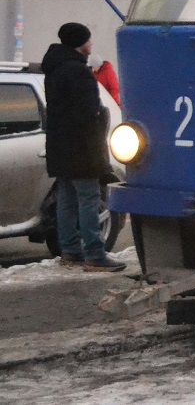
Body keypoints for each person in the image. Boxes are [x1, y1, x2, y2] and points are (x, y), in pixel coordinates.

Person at [42, 23, 125, 272]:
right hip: (82, 147)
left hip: (60, 145)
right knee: (89, 198)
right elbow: (88, 112)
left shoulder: (54, 68)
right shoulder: (78, 71)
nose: (91, 45)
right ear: (80, 43)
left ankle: (70, 251)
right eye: (88, 41)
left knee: (66, 199)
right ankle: (95, 254)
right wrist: (101, 120)